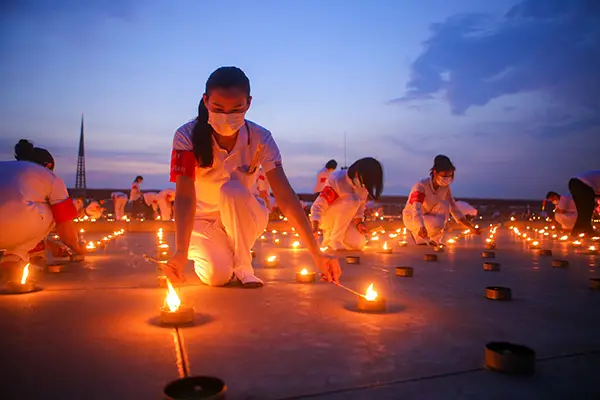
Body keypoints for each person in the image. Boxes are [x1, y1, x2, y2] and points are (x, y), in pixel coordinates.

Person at [167, 66, 341, 288]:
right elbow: (184, 196)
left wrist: (317, 254)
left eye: (236, 109)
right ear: (206, 101)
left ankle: (243, 265)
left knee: (231, 190)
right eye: (218, 108)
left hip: (245, 215)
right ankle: (223, 256)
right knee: (216, 277)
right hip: (202, 221)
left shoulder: (261, 139)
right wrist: (181, 252)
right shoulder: (186, 136)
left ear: (248, 103)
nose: (227, 117)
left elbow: (286, 197)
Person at [0, 140, 84, 282]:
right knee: (55, 208)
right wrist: (78, 248)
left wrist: (49, 244)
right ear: (49, 165)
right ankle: (14, 257)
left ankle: (12, 259)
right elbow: (65, 227)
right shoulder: (48, 175)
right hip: (16, 228)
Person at [403, 155, 480, 245]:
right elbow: (416, 209)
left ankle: (435, 240)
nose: (446, 179)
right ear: (435, 173)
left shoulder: (445, 188)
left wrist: (470, 227)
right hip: (412, 218)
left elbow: (453, 207)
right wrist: (420, 226)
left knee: (445, 205)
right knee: (438, 224)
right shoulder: (421, 185)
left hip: (429, 216)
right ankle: (418, 234)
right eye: (444, 176)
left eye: (449, 176)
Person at [311, 158, 383, 251]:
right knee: (352, 200)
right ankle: (335, 239)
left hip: (342, 222)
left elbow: (359, 210)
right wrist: (315, 227)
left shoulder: (363, 186)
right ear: (357, 173)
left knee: (359, 243)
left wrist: (359, 224)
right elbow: (318, 206)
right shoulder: (337, 180)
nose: (365, 185)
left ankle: (330, 237)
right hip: (327, 216)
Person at [568, 170, 600, 236]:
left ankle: (580, 232)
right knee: (586, 210)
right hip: (582, 185)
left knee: (583, 211)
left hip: (574, 183)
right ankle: (580, 232)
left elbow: (596, 195)